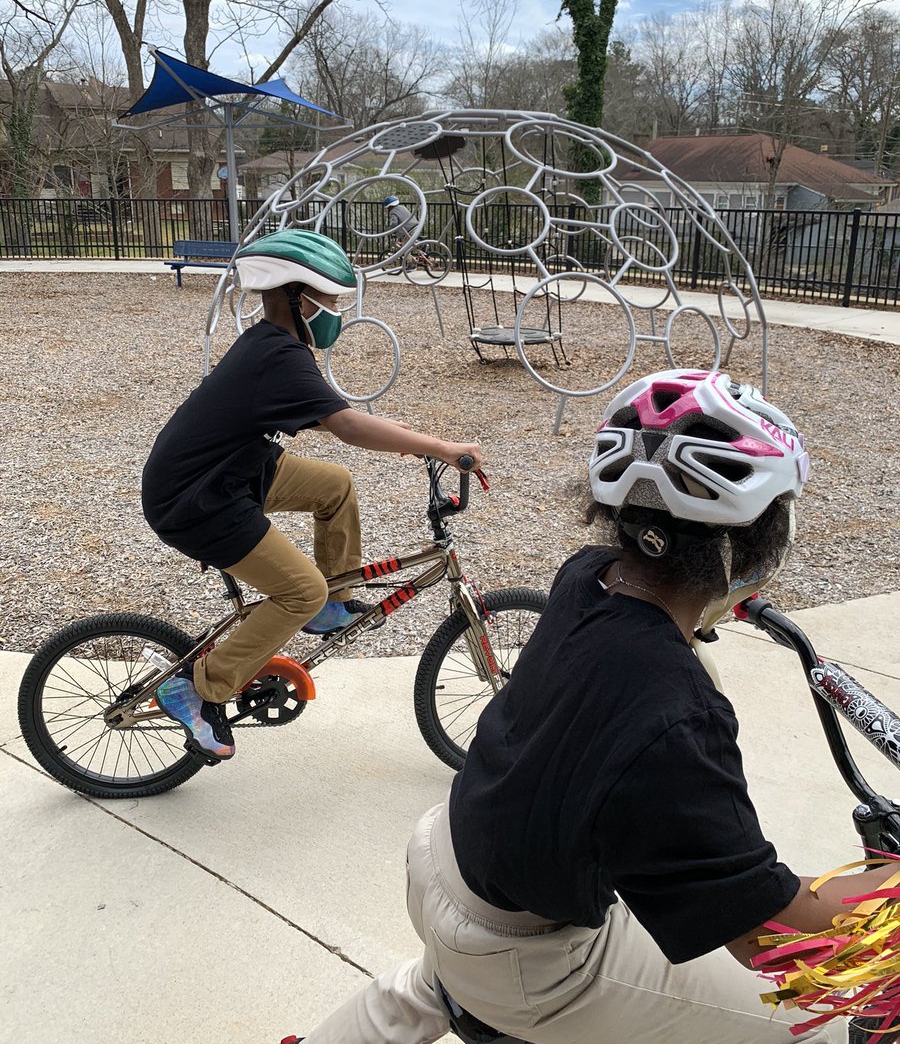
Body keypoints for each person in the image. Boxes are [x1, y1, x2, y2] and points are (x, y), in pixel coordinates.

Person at [287, 368, 879, 1044]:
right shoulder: (676, 717)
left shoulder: (587, 579)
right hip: (525, 958)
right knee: (813, 1021)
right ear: (738, 544)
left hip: (445, 855)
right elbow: (771, 941)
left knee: (443, 977)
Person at [141, 228, 482, 764]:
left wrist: (414, 444)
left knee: (334, 485)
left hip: (228, 471)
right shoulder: (277, 355)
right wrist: (439, 447)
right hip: (197, 498)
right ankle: (199, 689)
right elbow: (347, 424)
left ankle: (332, 605)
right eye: (329, 300)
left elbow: (330, 418)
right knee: (299, 592)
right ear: (296, 298)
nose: (336, 312)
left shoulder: (272, 345)